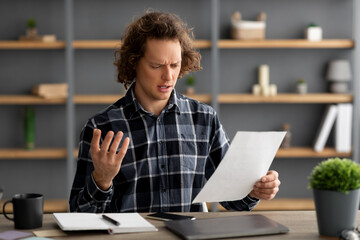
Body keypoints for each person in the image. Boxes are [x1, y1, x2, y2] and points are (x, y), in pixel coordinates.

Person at [69, 11, 281, 213]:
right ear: (134, 63)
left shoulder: (204, 120)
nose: (168, 76)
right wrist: (102, 181)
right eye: (156, 66)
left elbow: (236, 200)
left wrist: (255, 190)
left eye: (175, 65)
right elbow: (79, 214)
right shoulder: (101, 127)